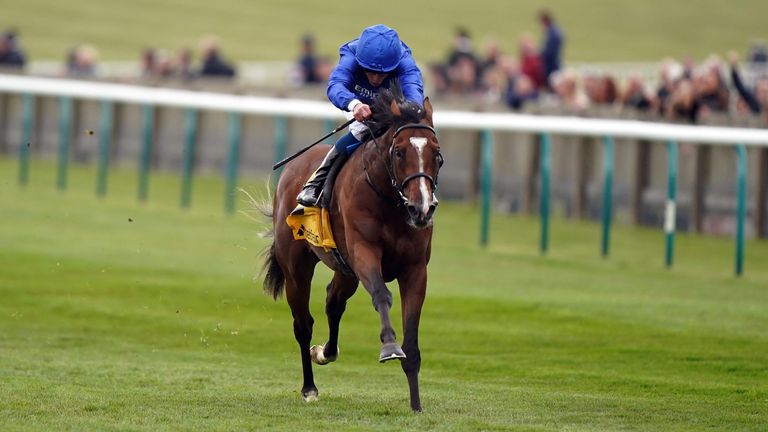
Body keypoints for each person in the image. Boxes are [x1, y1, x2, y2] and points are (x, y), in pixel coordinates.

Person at [295, 24, 424, 207]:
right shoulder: (351, 54)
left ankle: (426, 194)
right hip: (360, 107)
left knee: (419, 145)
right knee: (357, 133)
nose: (375, 79)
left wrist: (402, 109)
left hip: (393, 113)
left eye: (382, 73)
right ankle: (315, 185)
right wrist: (354, 104)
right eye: (369, 71)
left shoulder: (405, 62)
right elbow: (335, 85)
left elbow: (415, 96)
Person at [538, 10, 564, 89]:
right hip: (553, 63)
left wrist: (539, 55)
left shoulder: (553, 34)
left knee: (551, 85)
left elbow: (549, 53)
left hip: (551, 65)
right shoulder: (554, 31)